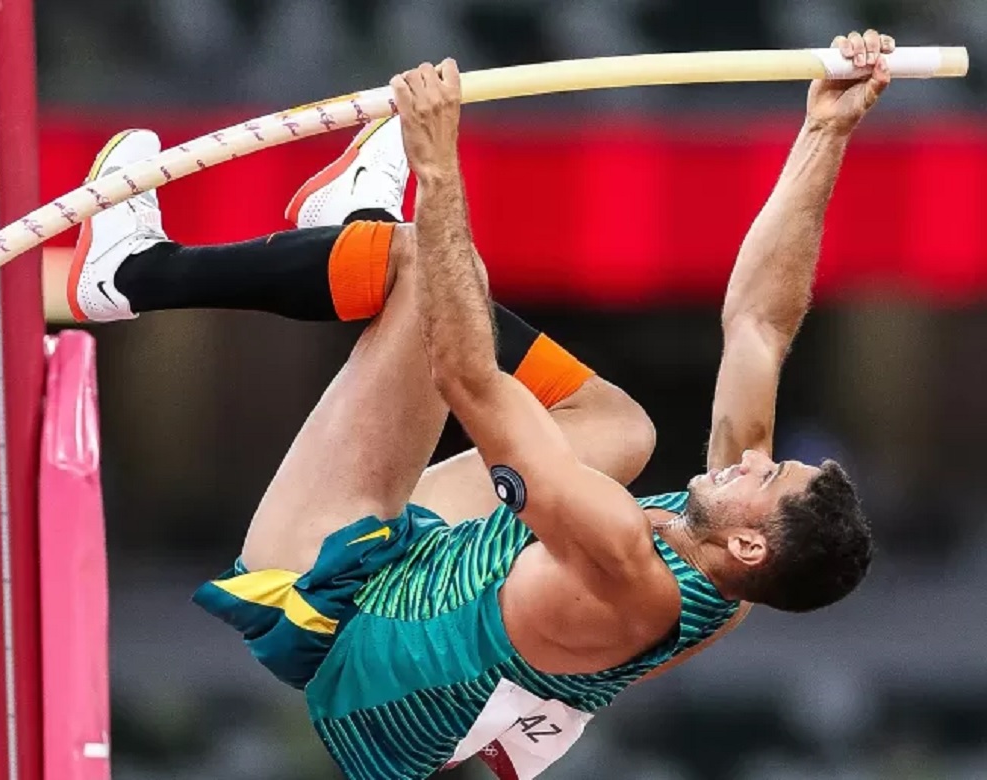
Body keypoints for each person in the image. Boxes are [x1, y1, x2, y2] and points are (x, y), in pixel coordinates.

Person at [67, 29, 890, 780]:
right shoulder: (730, 566)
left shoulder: (624, 568)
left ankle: (130, 271)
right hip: (433, 584)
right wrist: (827, 130)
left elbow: (467, 379)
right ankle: (348, 223)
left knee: (425, 272)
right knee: (619, 428)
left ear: (749, 543)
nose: (752, 455)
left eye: (767, 472)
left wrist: (437, 168)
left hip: (330, 602)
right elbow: (758, 326)